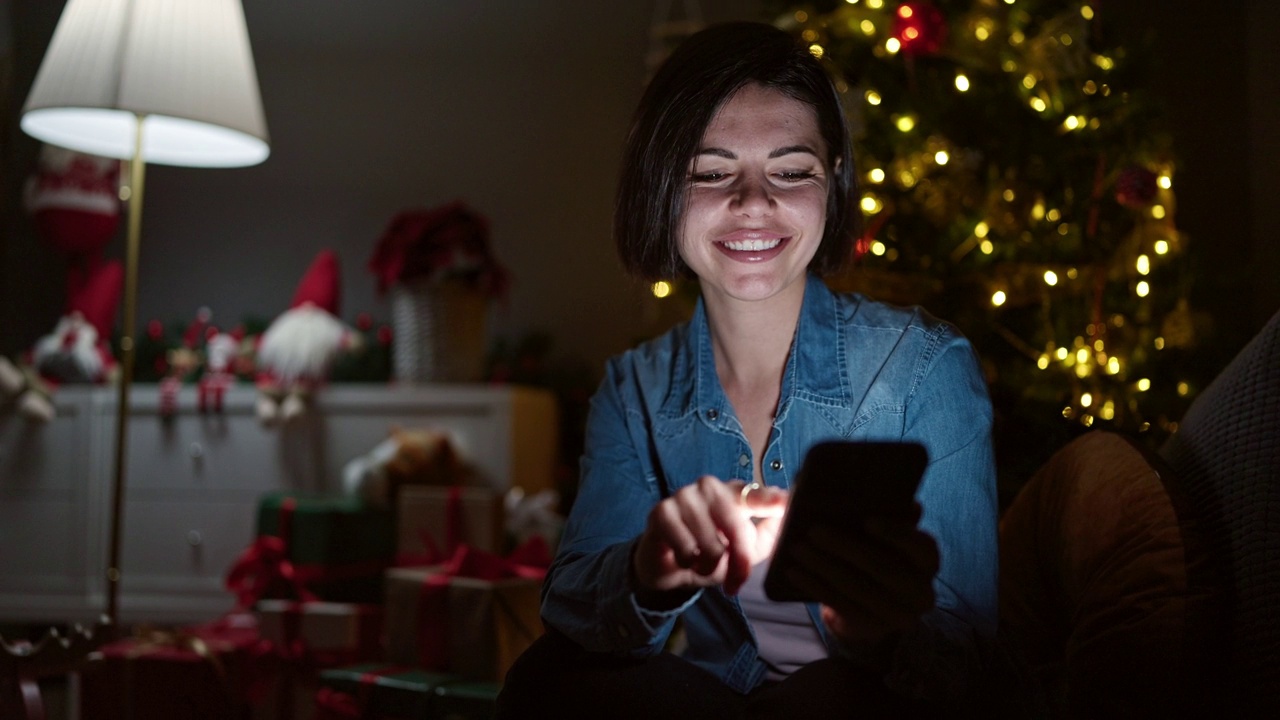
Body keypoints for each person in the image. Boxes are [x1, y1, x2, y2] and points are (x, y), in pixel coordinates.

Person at [497, 21, 997, 719]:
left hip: (859, 703)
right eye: (710, 172)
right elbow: (575, 608)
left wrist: (878, 634)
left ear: (834, 181)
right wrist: (648, 573)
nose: (754, 202)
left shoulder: (923, 369)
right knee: (545, 678)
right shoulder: (635, 390)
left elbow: (968, 663)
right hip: (709, 700)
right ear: (663, 189)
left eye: (791, 171)